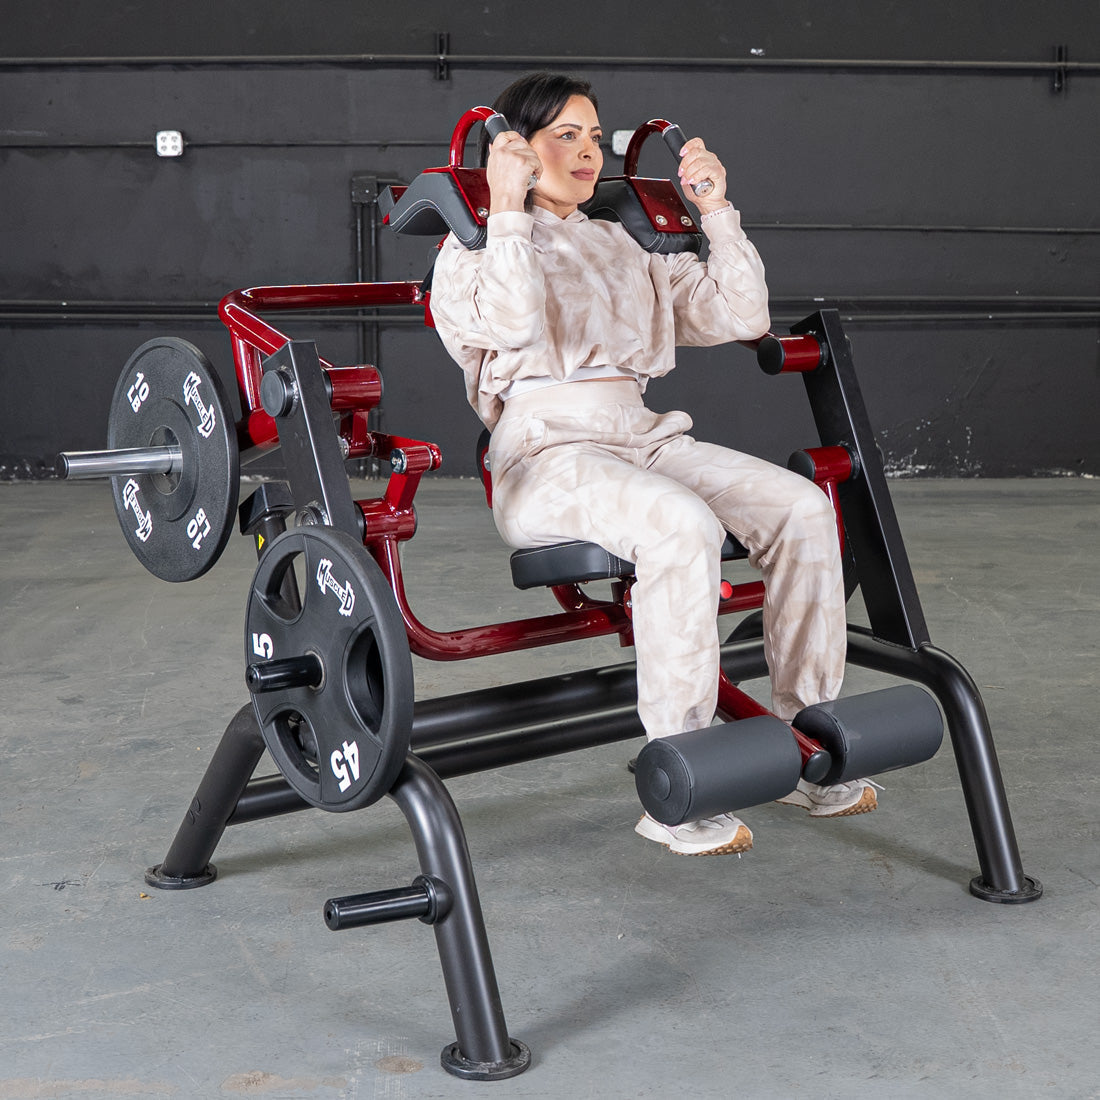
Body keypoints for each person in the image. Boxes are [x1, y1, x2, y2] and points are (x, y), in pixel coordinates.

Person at [429, 72, 877, 856]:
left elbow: (742, 313)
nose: (586, 151)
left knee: (804, 509)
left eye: (594, 137)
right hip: (545, 456)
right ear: (515, 148)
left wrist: (716, 212)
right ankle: (686, 777)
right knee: (680, 525)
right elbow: (512, 316)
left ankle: (809, 733)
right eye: (564, 135)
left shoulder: (620, 242)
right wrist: (503, 207)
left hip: (643, 436)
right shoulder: (470, 247)